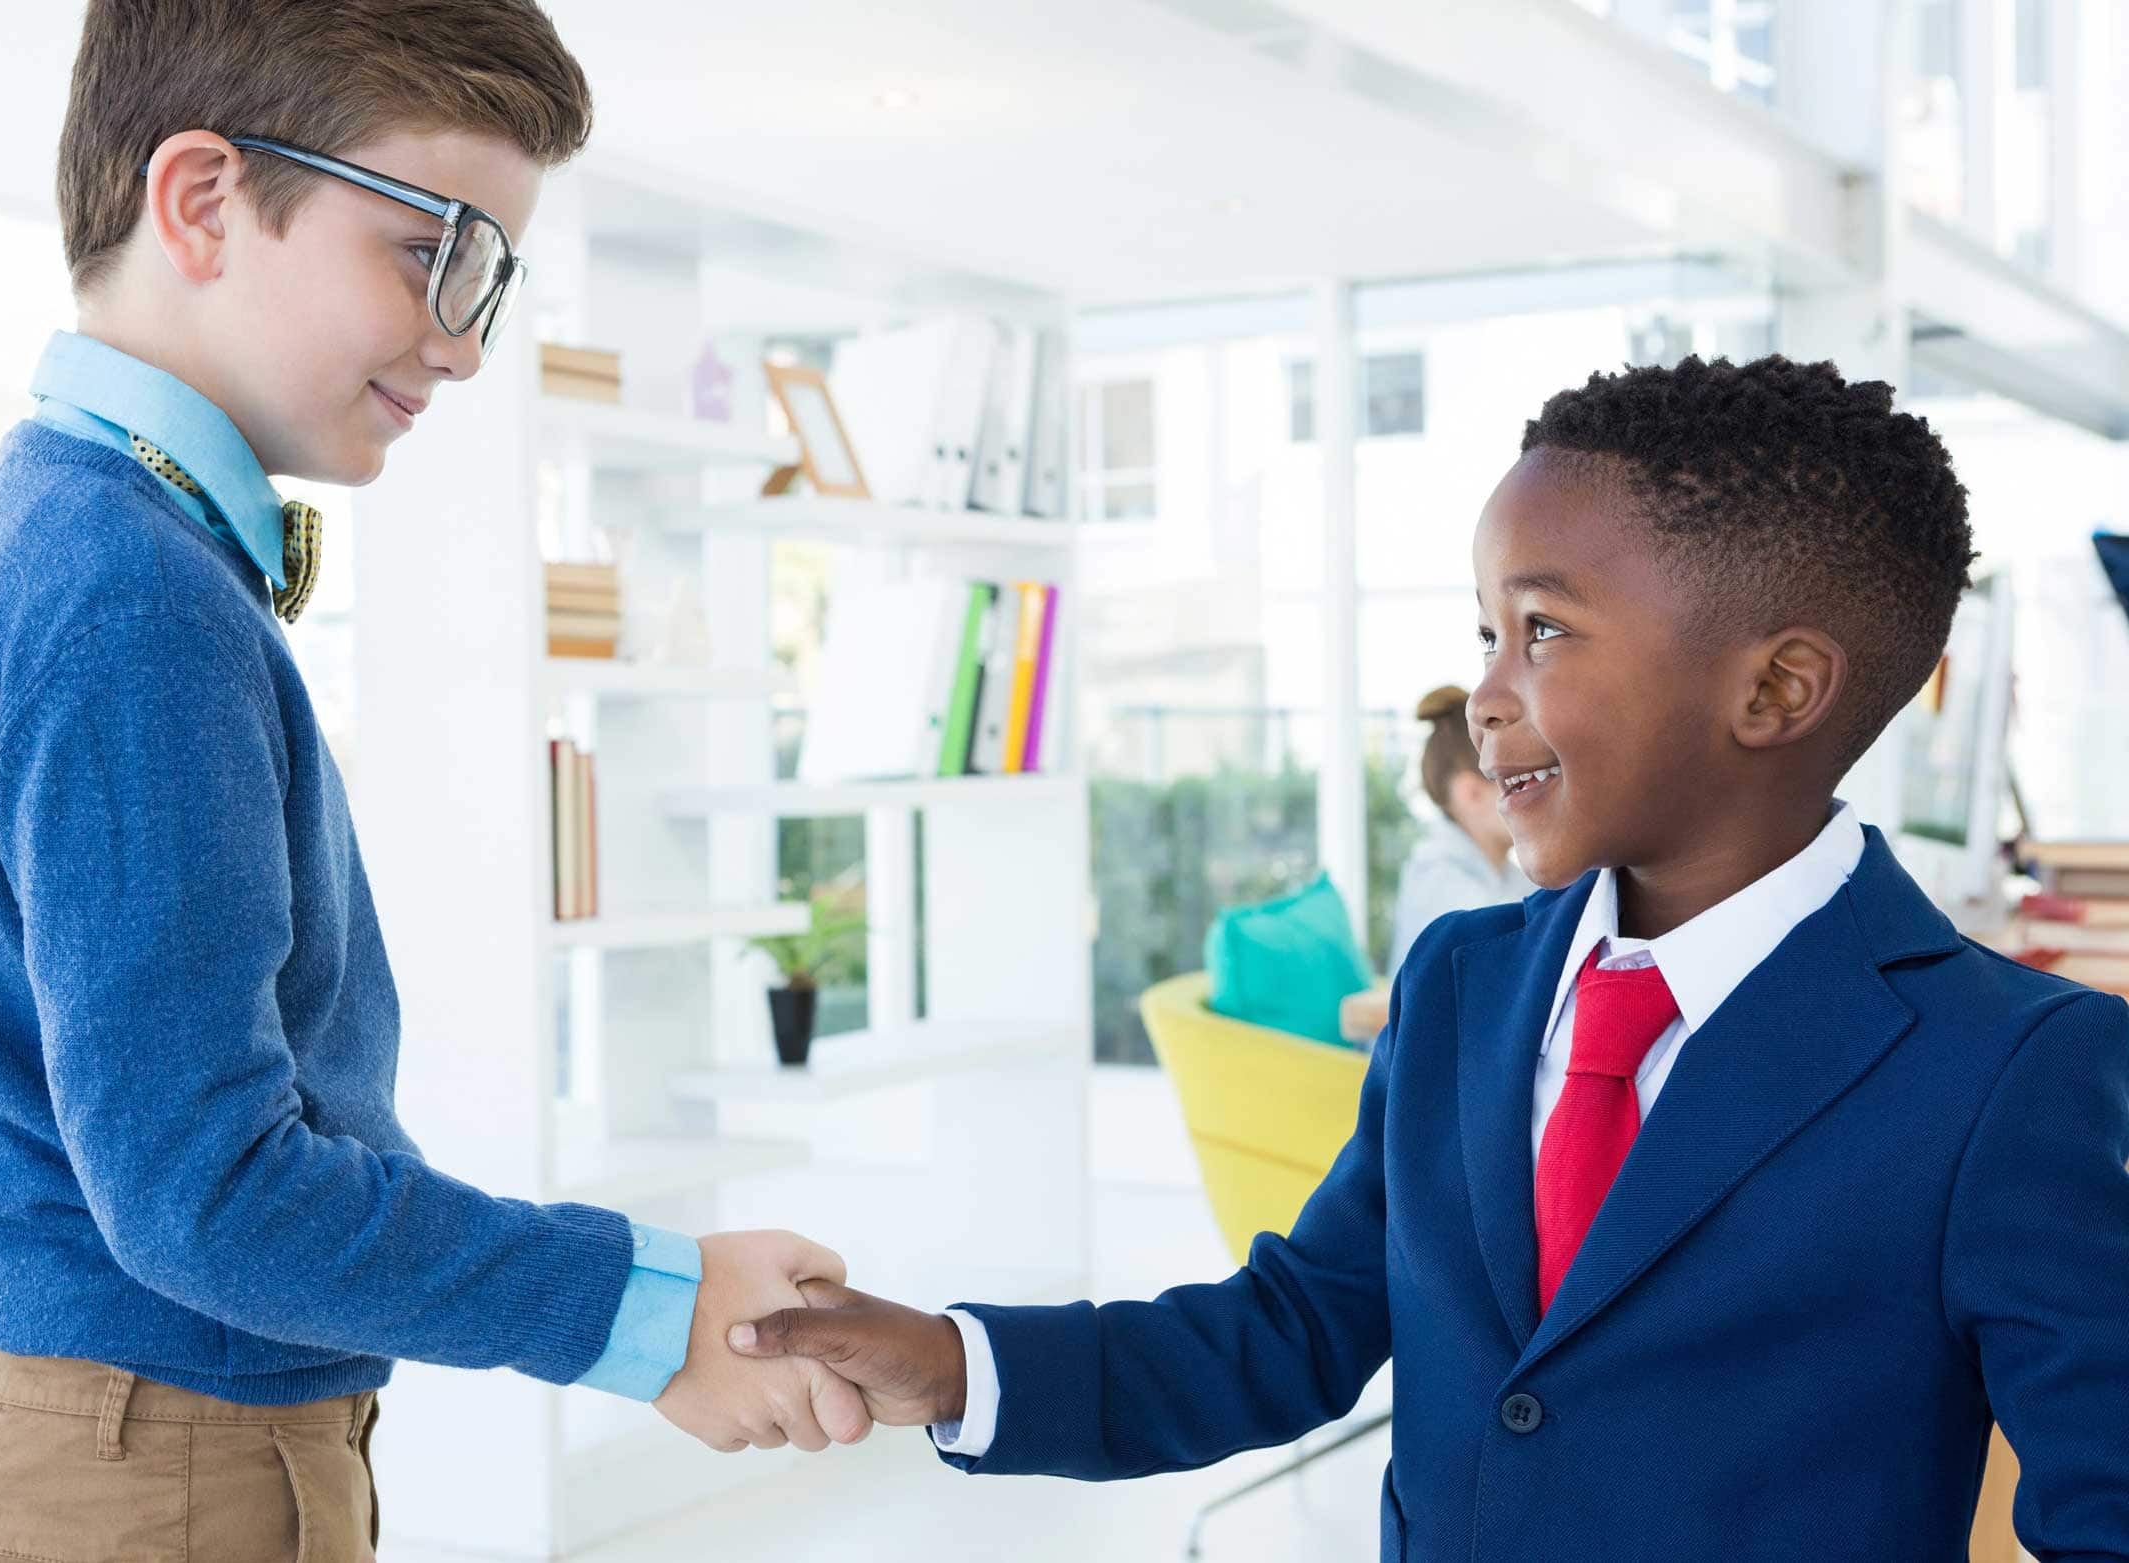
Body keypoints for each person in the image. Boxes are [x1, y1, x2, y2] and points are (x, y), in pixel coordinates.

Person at [729, 356, 2129, 1560]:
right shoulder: (1462, 984)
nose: (1486, 695)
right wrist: (949, 1360)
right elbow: (1293, 1325)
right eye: (1484, 630)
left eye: (1545, 629)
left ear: (1772, 687)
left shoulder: (2012, 1070)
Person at [0, 5, 863, 1558]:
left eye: (490, 280)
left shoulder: (51, 525)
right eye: (428, 251)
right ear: (200, 199)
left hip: (110, 1440)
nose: (462, 341)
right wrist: (651, 1309)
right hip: (145, 1471)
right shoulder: (129, 590)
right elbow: (214, 1194)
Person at [1386, 683, 1535, 976]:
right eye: (1516, 782)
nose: (1531, 794)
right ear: (1471, 794)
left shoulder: (1508, 876)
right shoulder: (1439, 881)